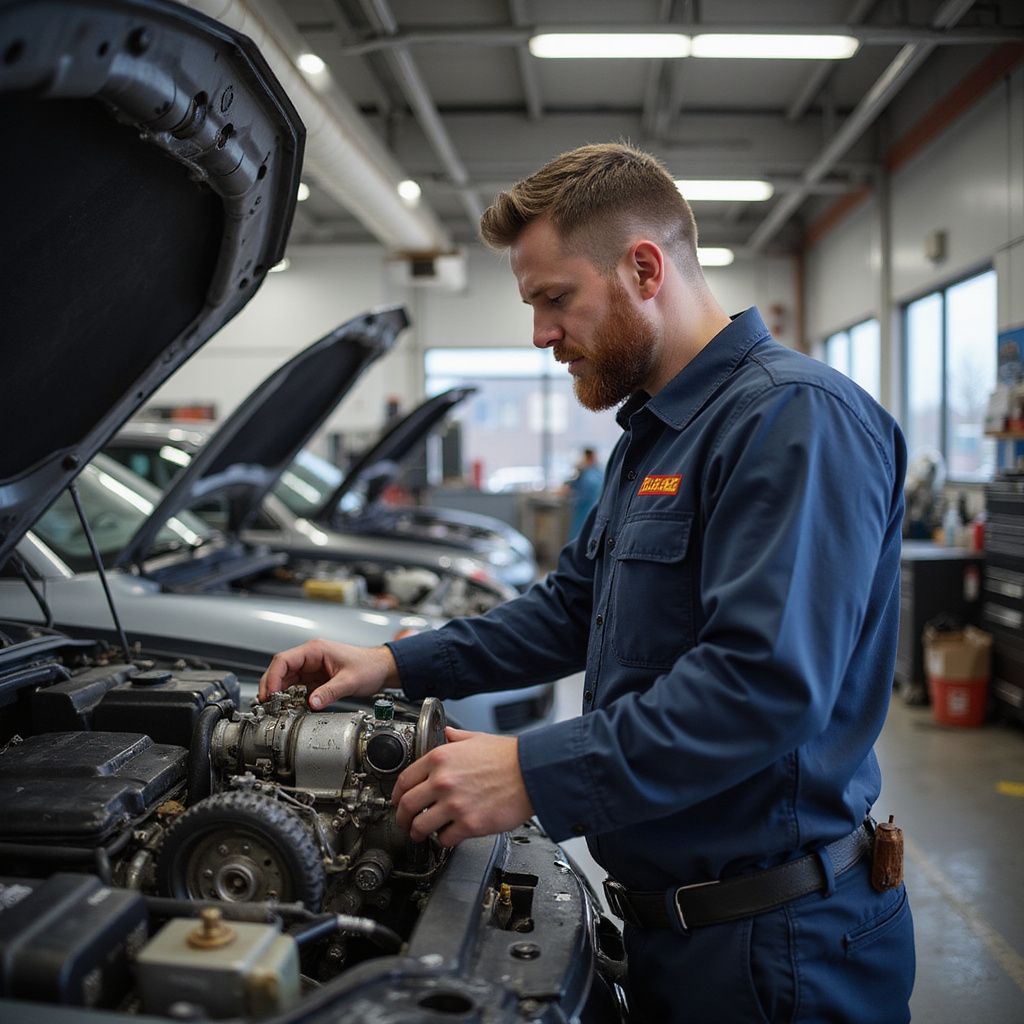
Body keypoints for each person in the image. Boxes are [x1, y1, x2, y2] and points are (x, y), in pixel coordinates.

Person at [260, 143, 915, 1023]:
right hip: (674, 934)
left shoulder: (795, 422)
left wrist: (531, 773)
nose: (538, 334)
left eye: (553, 299)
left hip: (776, 951)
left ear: (644, 267)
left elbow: (762, 687)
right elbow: (572, 609)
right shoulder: (656, 435)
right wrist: (391, 662)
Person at [564, 446, 603, 540]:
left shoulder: (591, 475)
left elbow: (583, 494)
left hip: (586, 510)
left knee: (581, 537)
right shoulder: (591, 473)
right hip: (589, 511)